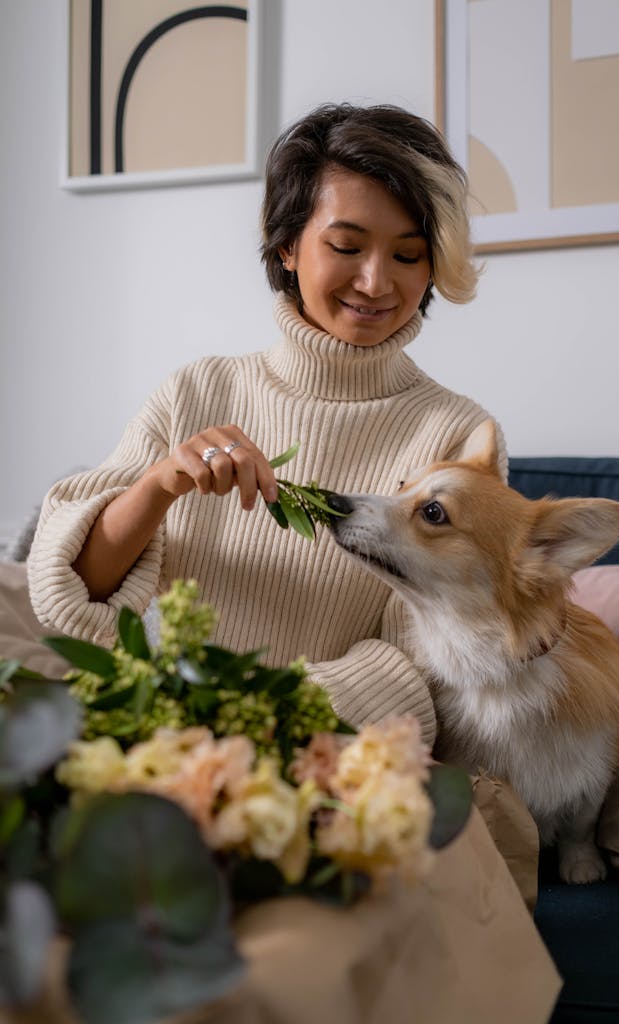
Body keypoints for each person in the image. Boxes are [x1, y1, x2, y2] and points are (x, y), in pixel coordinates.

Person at [27, 102, 506, 745]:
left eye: (408, 255)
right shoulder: (197, 391)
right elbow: (71, 595)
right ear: (287, 246)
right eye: (346, 245)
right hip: (162, 743)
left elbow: (424, 666)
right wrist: (159, 485)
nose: (375, 281)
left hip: (331, 757)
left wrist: (244, 713)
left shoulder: (458, 437)